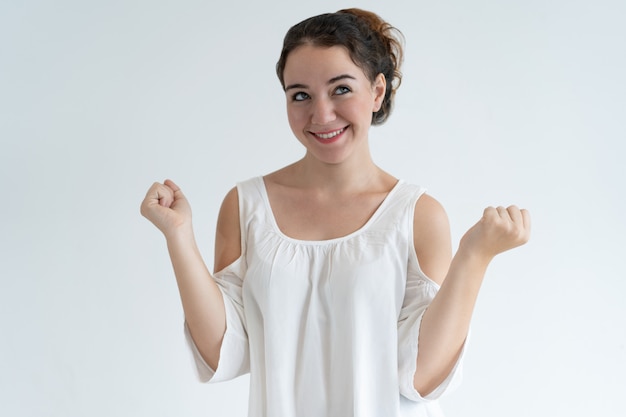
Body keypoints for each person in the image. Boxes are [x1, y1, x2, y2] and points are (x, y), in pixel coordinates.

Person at [140, 8, 530, 417]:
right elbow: (225, 350)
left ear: (377, 91)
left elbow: (419, 377)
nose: (321, 115)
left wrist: (475, 255)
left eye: (341, 89)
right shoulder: (246, 206)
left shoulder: (417, 214)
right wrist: (179, 237)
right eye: (301, 95)